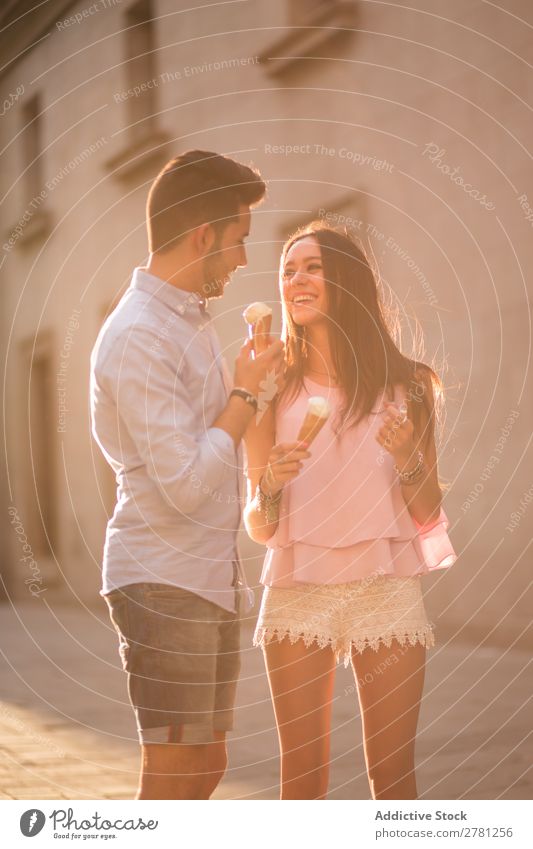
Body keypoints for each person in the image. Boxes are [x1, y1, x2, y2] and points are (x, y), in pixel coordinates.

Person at [90, 150, 284, 800]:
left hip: (202, 579)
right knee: (173, 776)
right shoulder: (140, 336)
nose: (242, 260)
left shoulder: (184, 321)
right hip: (162, 584)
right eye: (236, 240)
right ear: (202, 235)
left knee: (204, 766)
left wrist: (245, 389)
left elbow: (209, 446)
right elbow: (187, 481)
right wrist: (245, 395)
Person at [244, 222, 457, 800]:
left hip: (384, 587)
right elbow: (261, 527)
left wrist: (409, 454)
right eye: (288, 270)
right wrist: (271, 484)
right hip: (297, 585)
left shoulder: (407, 385)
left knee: (392, 778)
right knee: (303, 779)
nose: (296, 279)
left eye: (312, 266)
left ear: (347, 282)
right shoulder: (269, 385)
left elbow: (427, 509)